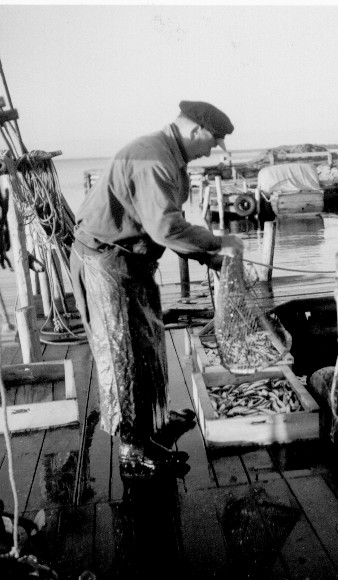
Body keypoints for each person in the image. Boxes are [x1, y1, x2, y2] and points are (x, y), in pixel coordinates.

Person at [70, 101, 243, 476]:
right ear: (196, 130)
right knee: (122, 350)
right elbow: (167, 228)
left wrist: (206, 256)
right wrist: (219, 245)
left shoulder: (169, 154)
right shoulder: (154, 158)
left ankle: (150, 425)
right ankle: (132, 448)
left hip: (132, 257)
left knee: (147, 337)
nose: (213, 149)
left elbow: (161, 227)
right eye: (214, 140)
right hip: (105, 258)